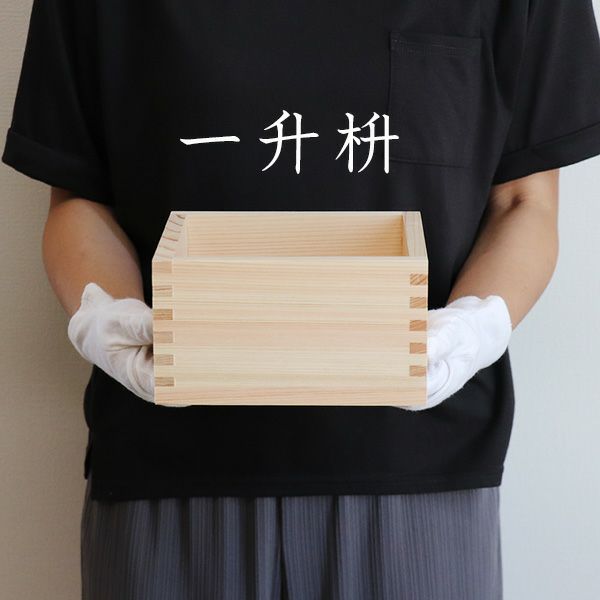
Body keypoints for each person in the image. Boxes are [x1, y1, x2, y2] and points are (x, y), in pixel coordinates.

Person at [3, 0, 600, 598]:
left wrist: (474, 327)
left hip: (419, 474)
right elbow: (79, 196)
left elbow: (524, 201)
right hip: (166, 468)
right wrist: (106, 316)